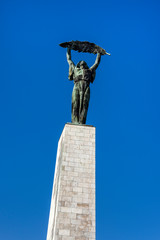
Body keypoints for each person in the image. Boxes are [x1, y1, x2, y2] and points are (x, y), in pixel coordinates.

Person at [66, 48, 101, 124]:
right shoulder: (75, 69)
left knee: (84, 104)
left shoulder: (89, 70)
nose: (82, 64)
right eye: (80, 63)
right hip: (77, 86)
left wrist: (99, 53)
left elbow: (96, 63)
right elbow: (69, 60)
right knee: (75, 103)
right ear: (79, 64)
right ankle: (75, 121)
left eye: (83, 64)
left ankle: (82, 121)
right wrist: (68, 48)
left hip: (86, 86)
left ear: (85, 65)